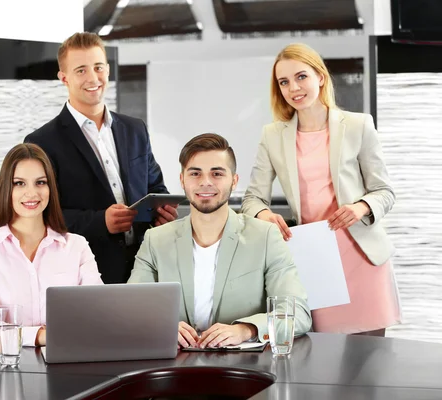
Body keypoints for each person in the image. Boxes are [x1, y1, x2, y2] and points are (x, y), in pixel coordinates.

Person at [242, 43, 401, 336]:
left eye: (301, 76)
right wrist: (263, 214)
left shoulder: (358, 125)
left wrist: (360, 207)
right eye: (284, 82)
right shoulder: (273, 135)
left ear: (320, 77)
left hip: (362, 256)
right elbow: (252, 199)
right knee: (321, 360)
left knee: (371, 365)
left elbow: (384, 191)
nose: (294, 88)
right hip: (314, 258)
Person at [128, 133, 311, 348]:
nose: (205, 182)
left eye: (217, 173)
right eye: (195, 173)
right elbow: (132, 309)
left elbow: (297, 314)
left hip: (244, 368)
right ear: (182, 180)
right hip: (175, 365)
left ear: (234, 181)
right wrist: (161, 325)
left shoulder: (265, 237)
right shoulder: (155, 240)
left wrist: (246, 330)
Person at [25, 32, 177, 284]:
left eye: (98, 68)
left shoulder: (135, 128)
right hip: (84, 272)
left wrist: (163, 213)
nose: (93, 78)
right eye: (81, 70)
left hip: (147, 267)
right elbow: (40, 216)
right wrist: (100, 222)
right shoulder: (41, 142)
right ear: (64, 78)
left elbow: (155, 187)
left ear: (107, 69)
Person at [0, 143, 103, 348]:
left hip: (68, 367)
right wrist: (41, 336)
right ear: (6, 189)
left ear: (50, 188)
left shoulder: (77, 246)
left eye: (40, 182)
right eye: (19, 183)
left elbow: (98, 317)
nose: (31, 193)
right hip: (7, 369)